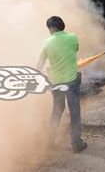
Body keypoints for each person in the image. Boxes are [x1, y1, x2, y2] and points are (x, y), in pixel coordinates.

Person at [36, 16, 88, 153]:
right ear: (62, 25)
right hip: (71, 81)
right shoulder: (73, 37)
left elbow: (40, 64)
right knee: (75, 111)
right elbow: (75, 50)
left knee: (57, 111)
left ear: (51, 28)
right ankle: (76, 143)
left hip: (56, 82)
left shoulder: (46, 43)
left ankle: (50, 142)